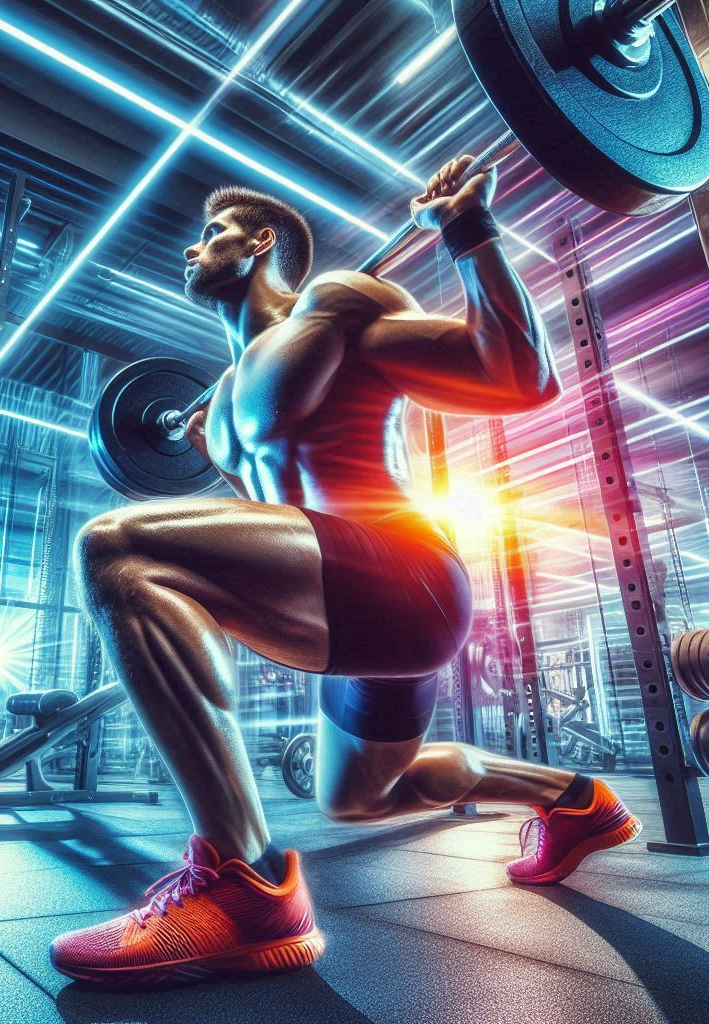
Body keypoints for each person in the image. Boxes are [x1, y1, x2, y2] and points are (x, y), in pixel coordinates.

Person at [50, 156, 642, 987]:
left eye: (212, 233)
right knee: (365, 795)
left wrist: (471, 233)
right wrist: (208, 449)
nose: (192, 248)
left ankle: (244, 882)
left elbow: (520, 376)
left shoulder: (335, 305)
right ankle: (574, 799)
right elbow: (262, 506)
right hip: (349, 619)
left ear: (261, 243)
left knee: (117, 546)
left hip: (402, 577)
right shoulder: (219, 405)